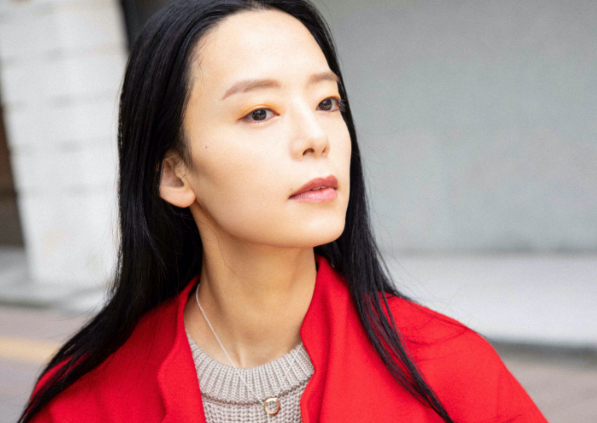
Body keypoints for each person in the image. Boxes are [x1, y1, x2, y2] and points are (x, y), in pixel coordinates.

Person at [20, 0, 548, 422]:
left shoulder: (450, 371)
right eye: (260, 112)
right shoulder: (85, 402)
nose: (316, 136)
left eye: (327, 103)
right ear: (174, 173)